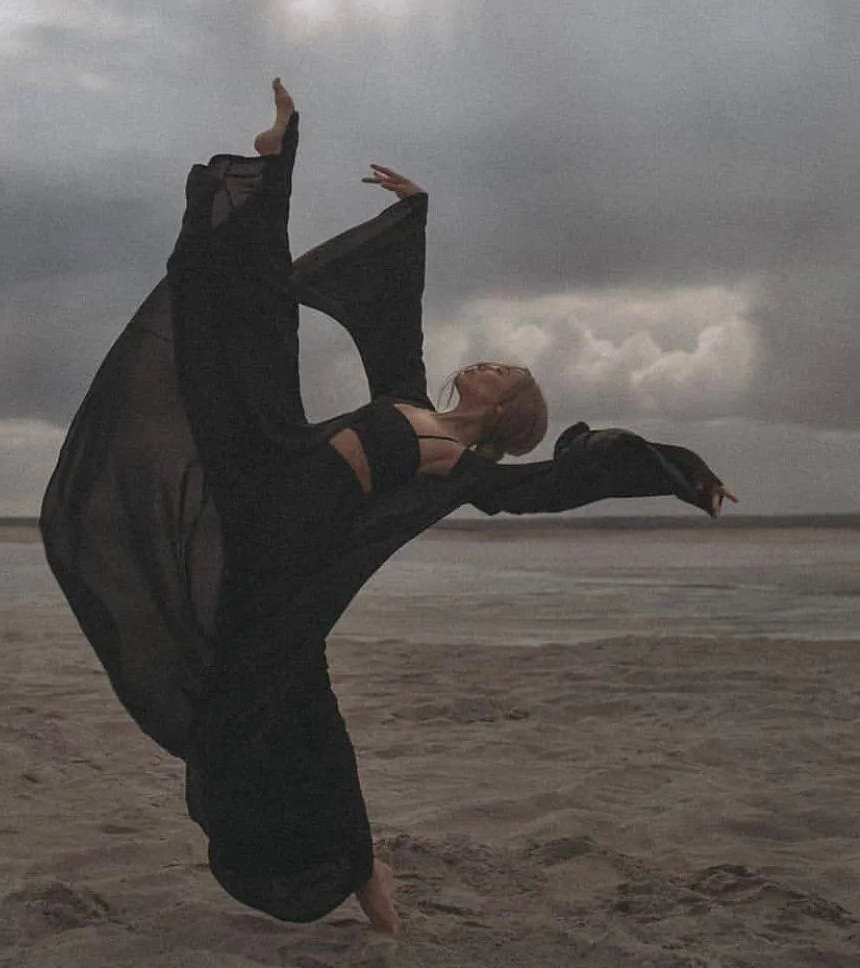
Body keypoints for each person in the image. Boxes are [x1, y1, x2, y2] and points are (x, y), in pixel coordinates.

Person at [41, 80, 735, 935]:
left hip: (287, 579)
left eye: (503, 372)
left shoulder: (463, 472)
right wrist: (415, 215)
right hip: (259, 488)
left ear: (509, 410)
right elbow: (394, 316)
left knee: (287, 722)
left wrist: (674, 471)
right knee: (245, 326)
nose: (486, 363)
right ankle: (273, 161)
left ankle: (360, 874)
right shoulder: (410, 399)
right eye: (493, 362)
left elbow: (566, 480)